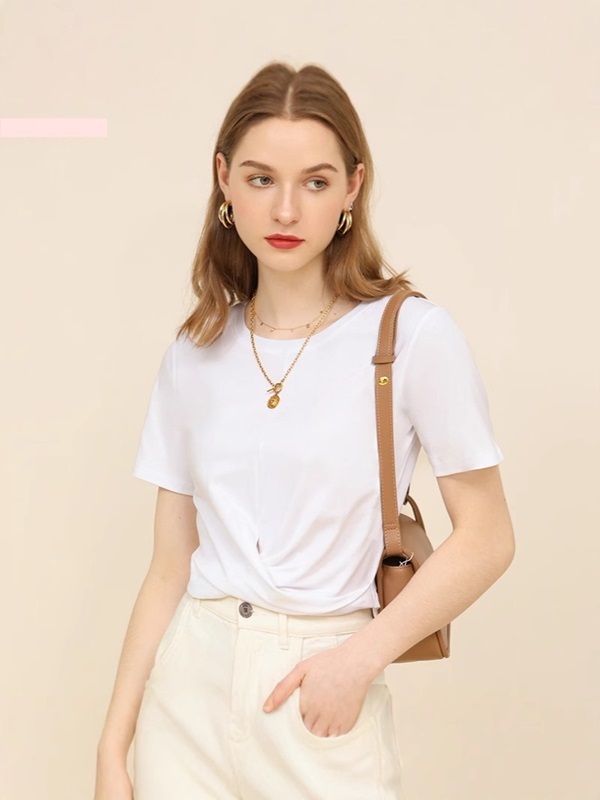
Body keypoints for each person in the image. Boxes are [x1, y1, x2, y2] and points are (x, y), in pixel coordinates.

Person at [94, 62, 515, 800]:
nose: (285, 210)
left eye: (315, 182)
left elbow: (488, 536)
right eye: (261, 179)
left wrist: (360, 659)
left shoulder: (411, 336)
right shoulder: (195, 351)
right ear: (224, 181)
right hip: (187, 696)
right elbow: (168, 568)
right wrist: (113, 747)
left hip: (317, 692)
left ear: (352, 187)